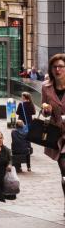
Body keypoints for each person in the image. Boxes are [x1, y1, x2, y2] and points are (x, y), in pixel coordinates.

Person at [40, 52, 65, 214]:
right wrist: (46, 110)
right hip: (58, 136)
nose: (58, 69)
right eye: (55, 67)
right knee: (64, 171)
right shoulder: (46, 88)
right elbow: (44, 113)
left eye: (61, 66)